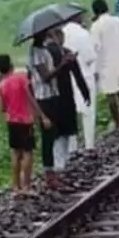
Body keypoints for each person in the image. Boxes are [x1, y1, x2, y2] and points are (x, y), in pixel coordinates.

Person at [28, 30, 87, 187]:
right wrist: (63, 63)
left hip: (52, 96)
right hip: (44, 98)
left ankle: (53, 171)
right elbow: (45, 77)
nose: (49, 35)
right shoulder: (36, 53)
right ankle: (49, 173)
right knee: (48, 137)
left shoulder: (42, 51)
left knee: (54, 133)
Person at [0, 53, 47, 195]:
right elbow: (31, 98)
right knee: (27, 152)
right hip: (25, 121)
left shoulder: (1, 85)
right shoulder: (21, 78)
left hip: (11, 122)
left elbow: (1, 108)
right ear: (10, 64)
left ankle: (15, 187)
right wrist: (42, 116)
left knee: (15, 153)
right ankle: (26, 186)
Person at [91, 0, 119, 130]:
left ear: (95, 11)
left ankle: (117, 122)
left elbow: (95, 49)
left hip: (105, 65)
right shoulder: (117, 21)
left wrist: (95, 69)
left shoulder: (96, 26)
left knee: (111, 94)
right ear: (107, 7)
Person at [62, 8, 99, 149]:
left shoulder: (62, 33)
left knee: (72, 113)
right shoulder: (83, 33)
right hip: (84, 75)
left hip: (67, 77)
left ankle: (72, 147)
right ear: (76, 17)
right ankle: (89, 144)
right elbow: (90, 57)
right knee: (88, 112)